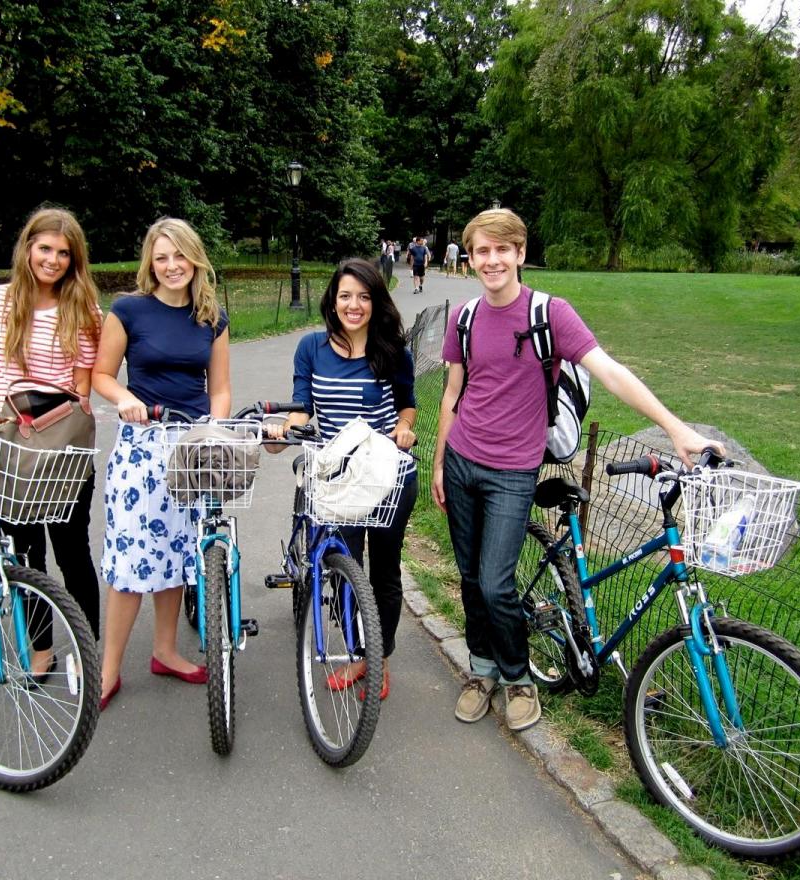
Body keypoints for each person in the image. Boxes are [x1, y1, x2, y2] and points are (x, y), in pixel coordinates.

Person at [432, 208, 723, 732]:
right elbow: (452, 394)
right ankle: (481, 671)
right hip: (461, 463)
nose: (492, 260)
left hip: (513, 472)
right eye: (482, 251)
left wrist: (675, 428)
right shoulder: (465, 318)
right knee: (472, 578)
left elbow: (609, 371)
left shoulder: (551, 314)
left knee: (497, 583)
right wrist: (439, 463)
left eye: (502, 249)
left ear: (520, 254)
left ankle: (519, 678)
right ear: (470, 258)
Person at [92, 217, 232, 711]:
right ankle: (107, 671)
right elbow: (101, 375)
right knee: (132, 560)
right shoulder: (129, 310)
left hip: (190, 446)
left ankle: (166, 650)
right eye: (162, 257)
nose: (172, 266)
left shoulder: (211, 317)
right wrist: (125, 398)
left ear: (195, 258)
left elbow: (218, 388)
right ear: (150, 263)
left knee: (178, 552)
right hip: (142, 443)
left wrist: (214, 430)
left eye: (180, 256)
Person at [266, 258, 418, 700]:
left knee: (384, 571)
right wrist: (283, 432)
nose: (354, 305)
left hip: (387, 474)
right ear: (332, 300)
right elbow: (301, 408)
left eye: (365, 297)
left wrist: (405, 427)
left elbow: (407, 405)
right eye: (346, 296)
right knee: (343, 568)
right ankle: (356, 652)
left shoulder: (393, 351)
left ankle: (379, 658)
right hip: (337, 478)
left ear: (376, 302)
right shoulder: (311, 348)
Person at [0, 206, 103, 675]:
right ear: (27, 248)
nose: (53, 260)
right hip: (7, 443)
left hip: (61, 444)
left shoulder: (82, 308)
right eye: (45, 248)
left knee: (72, 551)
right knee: (26, 556)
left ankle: (88, 649)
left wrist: (48, 427)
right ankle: (41, 651)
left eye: (64, 253)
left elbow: (81, 386)